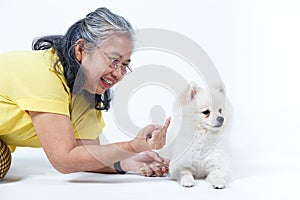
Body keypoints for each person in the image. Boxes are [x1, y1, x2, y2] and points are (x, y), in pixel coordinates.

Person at [0, 7, 171, 180]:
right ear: (80, 50)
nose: (118, 74)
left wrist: (127, 161)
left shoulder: (82, 90)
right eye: (113, 61)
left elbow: (85, 154)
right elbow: (64, 160)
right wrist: (132, 146)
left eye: (124, 65)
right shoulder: (45, 76)